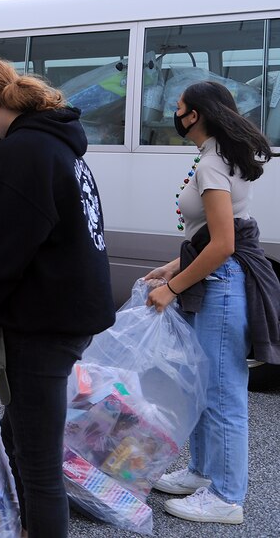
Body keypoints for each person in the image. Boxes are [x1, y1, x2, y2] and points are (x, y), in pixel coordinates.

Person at [0, 57, 115, 538]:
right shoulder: (59, 145)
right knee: (17, 438)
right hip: (69, 312)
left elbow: (0, 252)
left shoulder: (23, 150)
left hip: (43, 321)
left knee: (39, 465)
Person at [145, 81, 279, 526]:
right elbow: (217, 233)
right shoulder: (219, 156)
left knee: (223, 394)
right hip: (220, 279)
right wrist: (171, 266)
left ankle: (226, 497)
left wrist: (174, 286)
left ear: (196, 115)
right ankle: (202, 473)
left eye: (179, 109)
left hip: (220, 286)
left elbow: (222, 244)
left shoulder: (212, 163)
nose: (175, 115)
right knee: (204, 386)